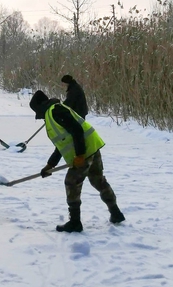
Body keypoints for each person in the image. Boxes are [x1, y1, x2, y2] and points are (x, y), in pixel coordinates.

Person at [29, 89, 124, 231]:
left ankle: (75, 222)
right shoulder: (55, 111)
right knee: (98, 180)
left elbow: (77, 130)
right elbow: (62, 144)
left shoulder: (55, 112)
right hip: (92, 147)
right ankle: (116, 213)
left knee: (71, 182)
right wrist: (50, 165)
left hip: (84, 151)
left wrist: (80, 155)